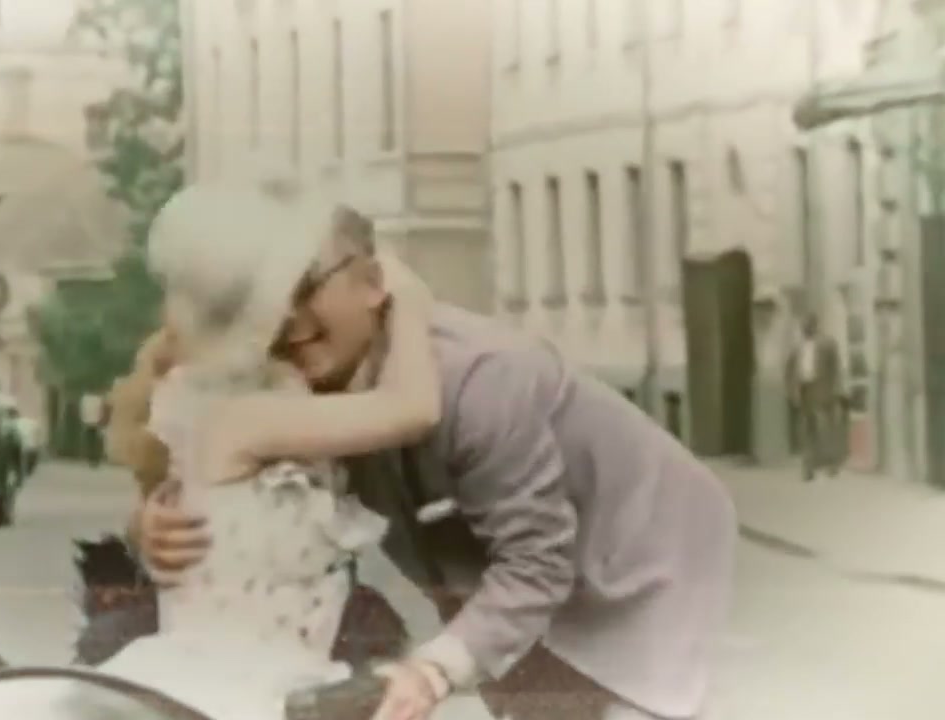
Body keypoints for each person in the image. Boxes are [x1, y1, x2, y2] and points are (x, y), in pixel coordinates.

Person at [131, 200, 738, 720]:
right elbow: (231, 488)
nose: (288, 317)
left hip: (641, 552)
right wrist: (164, 523)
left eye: (306, 286)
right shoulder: (286, 389)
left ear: (375, 283)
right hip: (492, 563)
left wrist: (435, 670)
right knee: (518, 688)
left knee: (615, 700)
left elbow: (535, 563)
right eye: (268, 296)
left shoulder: (478, 381)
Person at [92, 181, 447, 720]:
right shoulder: (247, 417)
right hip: (247, 680)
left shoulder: (224, 400)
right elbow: (414, 408)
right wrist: (411, 304)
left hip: (250, 668)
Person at [785, 313, 845, 481]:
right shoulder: (798, 347)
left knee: (824, 428)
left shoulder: (827, 344)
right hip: (805, 390)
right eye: (804, 325)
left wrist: (835, 389)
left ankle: (831, 463)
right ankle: (808, 467)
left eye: (810, 324)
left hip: (823, 389)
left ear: (815, 326)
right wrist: (792, 390)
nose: (806, 328)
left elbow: (835, 367)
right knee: (806, 429)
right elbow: (790, 369)